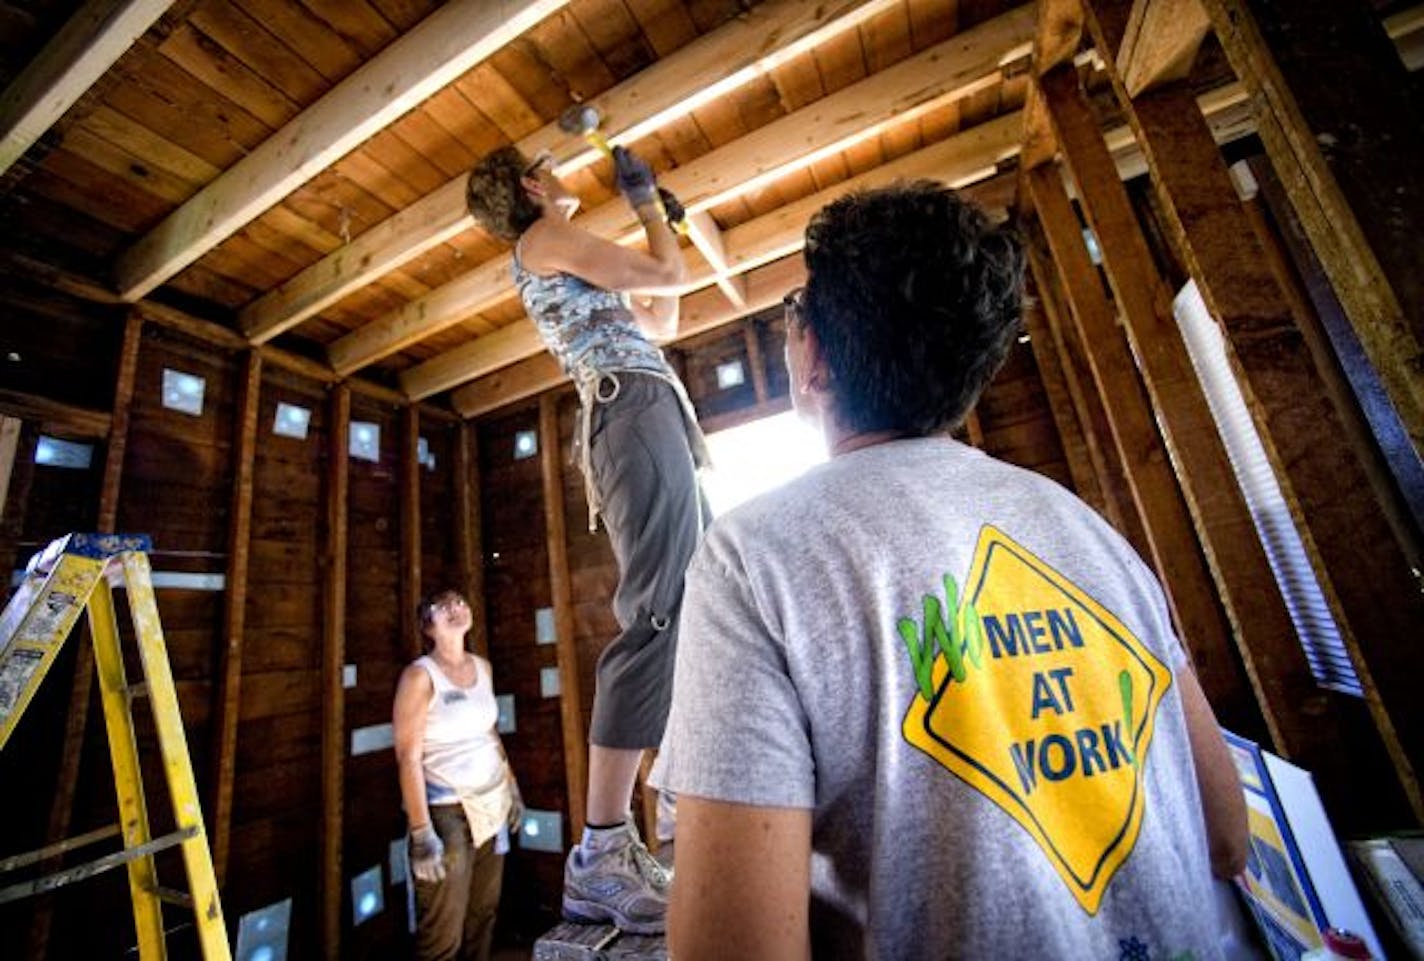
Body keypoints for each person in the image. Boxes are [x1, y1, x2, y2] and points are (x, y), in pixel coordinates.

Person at [654, 182, 1249, 960]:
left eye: (797, 314)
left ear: (815, 359)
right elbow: (1227, 839)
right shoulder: (1090, 534)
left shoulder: (751, 556)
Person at [465, 144, 707, 933]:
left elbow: (663, 316)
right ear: (533, 188)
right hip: (630, 407)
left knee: (693, 599)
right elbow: (667, 278)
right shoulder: (539, 240)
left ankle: (664, 807)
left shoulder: (565, 257)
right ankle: (603, 851)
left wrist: (656, 221)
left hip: (648, 402)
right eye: (547, 164)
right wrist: (647, 211)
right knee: (660, 611)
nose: (562, 171)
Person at [394, 589, 523, 961]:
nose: (456, 608)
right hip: (447, 814)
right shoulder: (420, 677)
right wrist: (421, 832)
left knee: (483, 912)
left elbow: (490, 733)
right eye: (444, 606)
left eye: (461, 602)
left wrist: (512, 788)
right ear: (427, 626)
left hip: (491, 805)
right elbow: (408, 756)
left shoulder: (482, 668)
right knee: (443, 927)